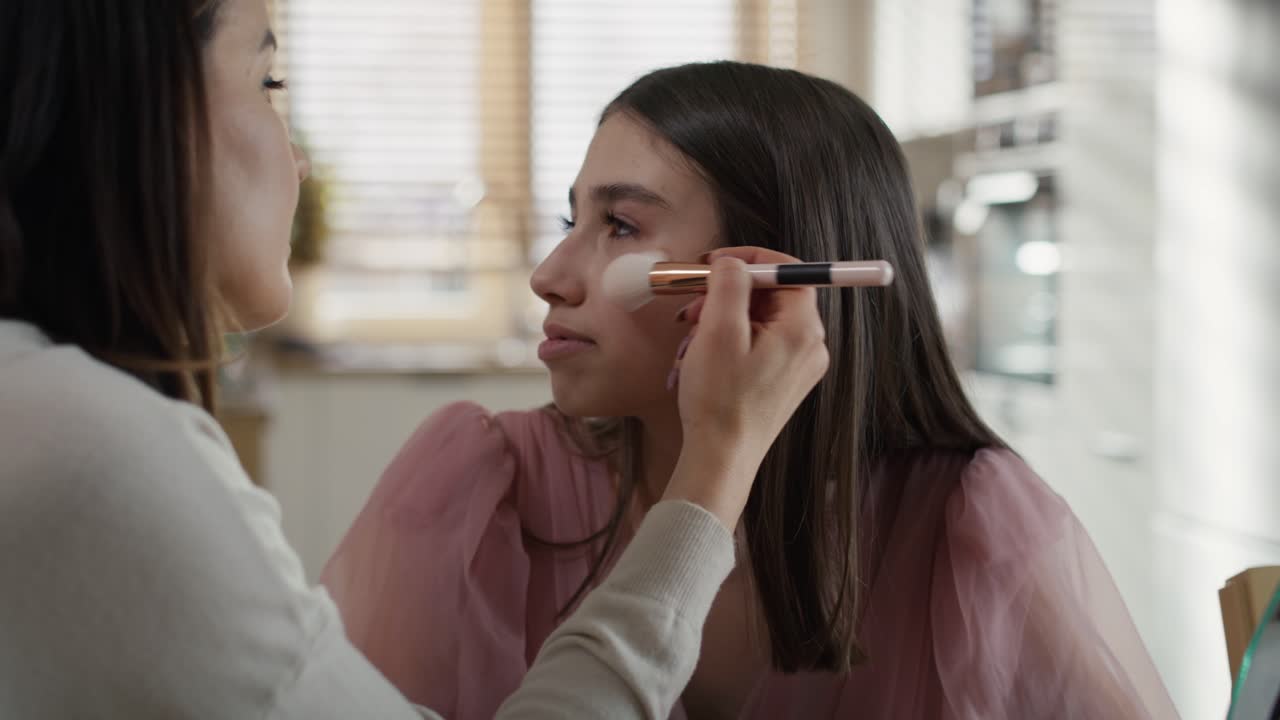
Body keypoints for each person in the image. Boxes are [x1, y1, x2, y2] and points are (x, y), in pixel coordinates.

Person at [0, 3, 832, 718]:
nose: (547, 276)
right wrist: (717, 464)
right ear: (136, 107)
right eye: (268, 85)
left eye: (618, 225)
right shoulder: (91, 451)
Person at [322, 62, 1181, 718]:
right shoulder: (482, 488)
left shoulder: (972, 522)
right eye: (569, 221)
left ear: (768, 279)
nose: (550, 275)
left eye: (620, 225)